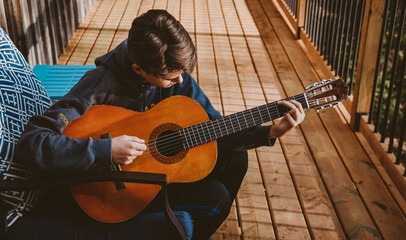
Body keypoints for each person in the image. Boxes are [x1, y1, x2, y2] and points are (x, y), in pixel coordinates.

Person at [9, 9, 305, 240]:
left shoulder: (176, 77)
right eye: (171, 77)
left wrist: (269, 132)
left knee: (233, 157)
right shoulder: (98, 86)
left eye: (182, 74)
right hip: (107, 190)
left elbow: (213, 126)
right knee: (215, 196)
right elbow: (33, 142)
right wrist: (104, 150)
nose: (180, 82)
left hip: (150, 174)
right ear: (139, 69)